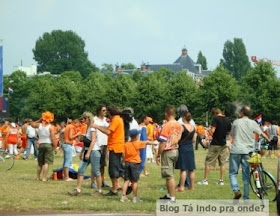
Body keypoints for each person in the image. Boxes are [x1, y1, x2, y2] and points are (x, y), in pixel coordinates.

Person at [230, 106, 269, 203]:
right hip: (248, 151)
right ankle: (246, 199)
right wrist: (268, 140)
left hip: (236, 150)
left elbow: (232, 135)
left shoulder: (236, 122)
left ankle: (236, 190)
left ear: (242, 112)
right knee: (246, 176)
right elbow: (262, 134)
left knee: (233, 173)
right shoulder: (253, 123)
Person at [91, 105, 125, 196]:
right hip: (117, 147)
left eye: (107, 112)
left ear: (110, 112)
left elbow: (108, 132)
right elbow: (109, 129)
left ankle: (114, 190)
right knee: (117, 168)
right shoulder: (118, 119)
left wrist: (96, 127)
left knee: (113, 170)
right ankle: (121, 186)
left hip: (115, 147)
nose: (107, 114)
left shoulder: (116, 120)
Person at [69, 112, 103, 196]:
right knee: (81, 169)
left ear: (89, 118)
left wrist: (88, 153)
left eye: (85, 118)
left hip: (94, 151)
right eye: (83, 118)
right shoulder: (87, 127)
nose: (83, 120)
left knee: (96, 171)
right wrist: (82, 151)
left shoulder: (92, 128)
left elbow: (93, 140)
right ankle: (78, 189)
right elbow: (86, 141)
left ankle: (99, 190)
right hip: (88, 150)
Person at [197, 108, 231, 186]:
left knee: (208, 162)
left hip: (215, 144)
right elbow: (229, 132)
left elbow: (212, 131)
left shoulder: (216, 119)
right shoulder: (227, 119)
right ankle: (221, 180)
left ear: (215, 113)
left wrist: (208, 130)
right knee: (222, 163)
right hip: (223, 143)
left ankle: (205, 180)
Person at [121, 129, 155, 203]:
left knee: (126, 180)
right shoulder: (138, 143)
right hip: (135, 163)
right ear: (136, 136)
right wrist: (154, 143)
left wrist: (125, 160)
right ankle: (135, 197)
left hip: (127, 163)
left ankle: (123, 196)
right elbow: (146, 142)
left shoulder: (126, 144)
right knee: (134, 181)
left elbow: (123, 154)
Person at [157, 106, 183, 201]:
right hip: (175, 150)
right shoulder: (179, 125)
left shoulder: (167, 125)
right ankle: (168, 195)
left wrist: (158, 154)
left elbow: (163, 142)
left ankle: (172, 198)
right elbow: (179, 137)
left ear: (166, 114)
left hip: (168, 151)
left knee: (169, 176)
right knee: (171, 173)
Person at [31, 111, 56, 181]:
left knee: (40, 163)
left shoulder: (39, 125)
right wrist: (55, 147)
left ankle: (38, 177)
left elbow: (32, 124)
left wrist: (39, 119)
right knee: (46, 162)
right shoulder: (51, 127)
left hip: (41, 144)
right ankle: (44, 177)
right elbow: (53, 138)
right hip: (48, 144)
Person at [175, 112, 197, 191]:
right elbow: (194, 139)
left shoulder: (182, 127)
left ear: (184, 118)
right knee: (191, 169)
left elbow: (178, 138)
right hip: (190, 148)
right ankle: (192, 186)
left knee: (183, 169)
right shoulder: (193, 127)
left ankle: (181, 186)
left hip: (183, 148)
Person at [91, 105, 110, 189]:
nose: (105, 112)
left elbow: (108, 129)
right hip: (97, 144)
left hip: (104, 143)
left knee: (102, 164)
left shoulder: (106, 120)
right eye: (103, 110)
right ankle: (93, 182)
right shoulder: (95, 120)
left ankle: (102, 181)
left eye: (105, 110)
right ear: (99, 111)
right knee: (95, 164)